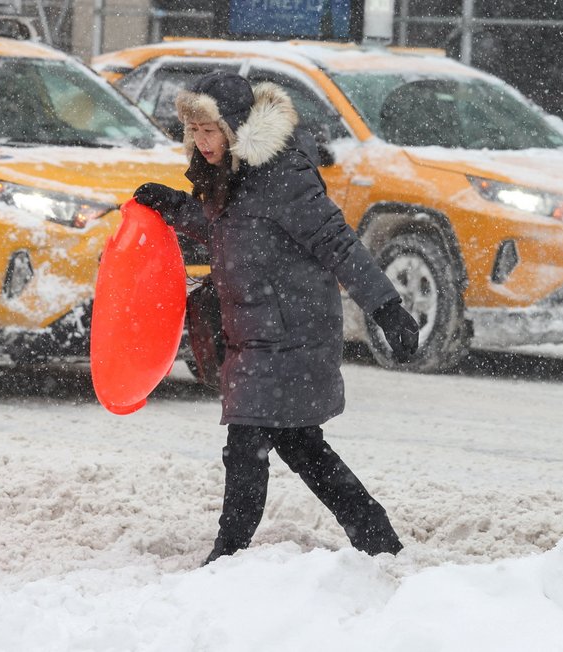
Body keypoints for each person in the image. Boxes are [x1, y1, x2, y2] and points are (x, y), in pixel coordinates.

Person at [133, 71, 419, 565]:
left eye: (210, 131)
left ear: (236, 127)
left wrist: (388, 309)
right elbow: (230, 230)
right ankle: (378, 540)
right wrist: (176, 206)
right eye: (194, 132)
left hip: (292, 332)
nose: (202, 143)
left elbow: (339, 243)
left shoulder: (283, 175)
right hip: (257, 333)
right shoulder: (228, 175)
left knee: (245, 445)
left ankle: (226, 557)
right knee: (301, 445)